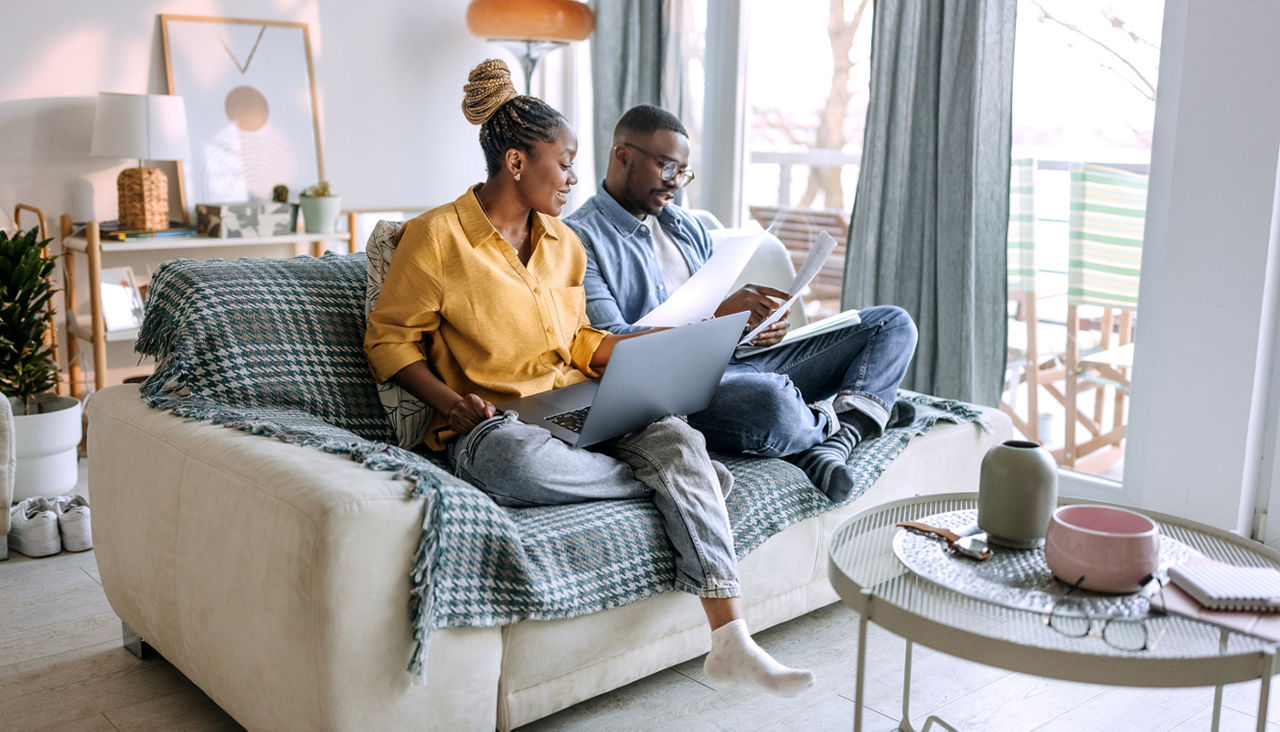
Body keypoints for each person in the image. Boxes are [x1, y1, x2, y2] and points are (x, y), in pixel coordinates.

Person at [363, 60, 813, 698]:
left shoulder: (562, 244)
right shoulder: (435, 238)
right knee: (517, 464)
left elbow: (575, 339)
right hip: (496, 424)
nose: (576, 177)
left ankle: (730, 638)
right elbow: (388, 340)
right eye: (566, 162)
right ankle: (681, 487)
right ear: (516, 163)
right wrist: (450, 403)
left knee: (677, 436)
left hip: (581, 399)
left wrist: (638, 354)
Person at [564, 104, 918, 503]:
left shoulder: (687, 226)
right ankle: (858, 416)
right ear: (622, 155)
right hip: (672, 392)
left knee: (892, 323)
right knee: (772, 401)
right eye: (667, 168)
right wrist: (717, 320)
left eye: (683, 172)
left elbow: (718, 323)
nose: (675, 183)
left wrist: (751, 329)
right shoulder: (578, 240)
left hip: (736, 365)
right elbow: (609, 345)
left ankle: (834, 438)